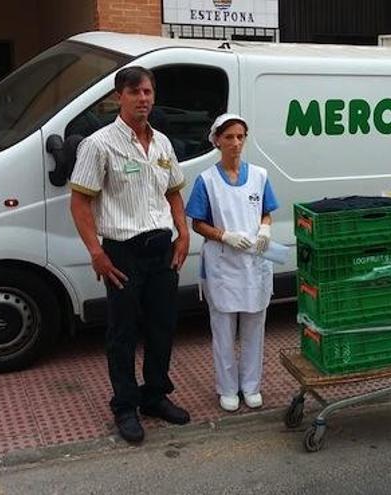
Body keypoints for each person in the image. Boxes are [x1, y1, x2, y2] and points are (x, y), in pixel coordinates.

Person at [69, 66, 191, 443]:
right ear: (118, 96)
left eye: (149, 92)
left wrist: (183, 232)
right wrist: (96, 253)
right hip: (121, 253)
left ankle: (154, 396)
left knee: (162, 327)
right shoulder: (99, 144)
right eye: (135, 92)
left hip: (162, 250)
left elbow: (173, 192)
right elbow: (79, 203)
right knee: (122, 333)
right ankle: (125, 405)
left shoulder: (163, 144)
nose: (144, 99)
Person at [185, 114, 279, 412]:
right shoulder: (207, 181)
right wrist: (224, 235)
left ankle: (251, 386)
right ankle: (227, 388)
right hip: (223, 265)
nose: (236, 143)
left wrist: (265, 229)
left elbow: (267, 211)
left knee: (254, 327)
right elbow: (197, 223)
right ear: (217, 141)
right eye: (229, 137)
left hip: (255, 264)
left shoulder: (260, 176)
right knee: (223, 330)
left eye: (240, 137)